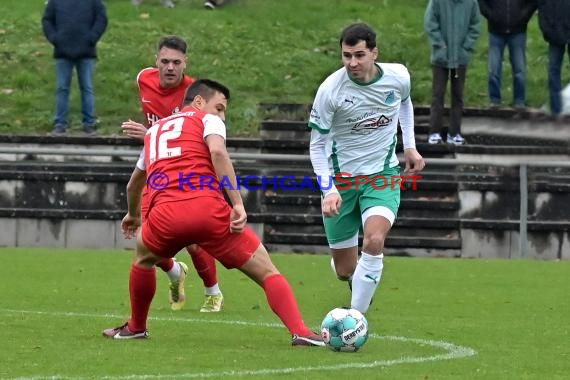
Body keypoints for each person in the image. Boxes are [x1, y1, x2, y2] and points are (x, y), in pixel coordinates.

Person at [103, 79, 324, 347]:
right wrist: (237, 203)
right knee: (267, 271)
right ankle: (300, 330)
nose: (221, 115)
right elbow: (218, 152)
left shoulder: (154, 131)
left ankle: (136, 326)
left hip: (164, 217)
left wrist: (133, 215)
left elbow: (134, 183)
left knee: (143, 260)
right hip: (207, 211)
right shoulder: (207, 120)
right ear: (198, 102)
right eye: (219, 107)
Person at [308, 23, 425, 314]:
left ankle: (356, 318)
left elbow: (405, 103)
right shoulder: (330, 91)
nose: (352, 63)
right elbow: (316, 146)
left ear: (375, 53)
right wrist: (328, 190)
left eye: (359, 55)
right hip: (342, 182)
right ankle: (355, 277)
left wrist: (409, 145)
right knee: (344, 270)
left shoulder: (398, 77)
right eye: (346, 56)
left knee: (374, 239)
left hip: (382, 176)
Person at [121, 36, 224, 313]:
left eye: (176, 62)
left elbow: (208, 130)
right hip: (157, 166)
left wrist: (150, 133)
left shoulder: (196, 94)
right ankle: (176, 273)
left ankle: (213, 292)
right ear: (156, 61)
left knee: (190, 238)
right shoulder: (143, 78)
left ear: (185, 63)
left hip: (188, 169)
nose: (170, 67)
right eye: (164, 61)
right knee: (148, 237)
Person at [42, 0, 108, 136]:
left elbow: (101, 18)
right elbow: (47, 20)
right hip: (62, 51)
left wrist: (92, 37)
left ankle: (89, 124)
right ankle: (60, 124)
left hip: (86, 52)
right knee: (62, 88)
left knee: (87, 88)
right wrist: (55, 38)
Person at [424, 0, 481, 145]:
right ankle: (434, 132)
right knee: (438, 95)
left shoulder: (471, 3)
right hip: (441, 58)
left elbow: (475, 26)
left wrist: (466, 47)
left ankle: (454, 133)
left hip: (460, 58)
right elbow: (430, 22)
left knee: (458, 96)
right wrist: (440, 45)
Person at [478, 0, 537, 109]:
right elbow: (481, 2)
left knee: (519, 69)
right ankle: (494, 100)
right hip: (495, 32)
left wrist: (524, 17)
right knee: (494, 69)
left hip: (518, 31)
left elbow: (533, 3)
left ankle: (519, 100)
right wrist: (491, 16)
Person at [537, 0, 570, 120]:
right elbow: (541, 7)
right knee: (553, 71)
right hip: (554, 34)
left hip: (560, 30)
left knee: (553, 70)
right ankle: (556, 110)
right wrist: (546, 30)